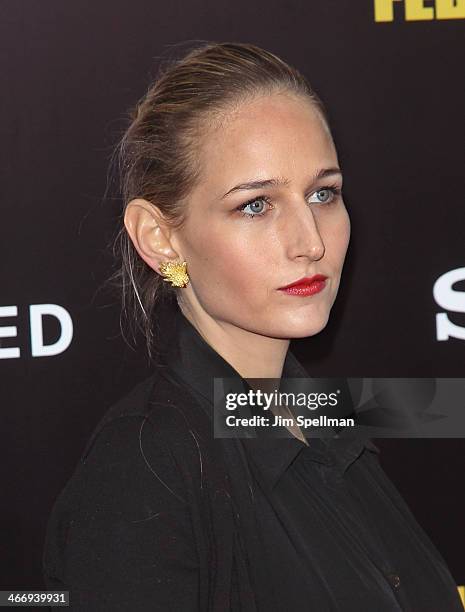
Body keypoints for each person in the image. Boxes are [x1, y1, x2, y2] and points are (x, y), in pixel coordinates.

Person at [42, 41, 463, 611]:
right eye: (256, 205)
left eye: (323, 193)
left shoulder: (324, 418)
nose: (311, 242)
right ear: (159, 237)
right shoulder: (142, 473)